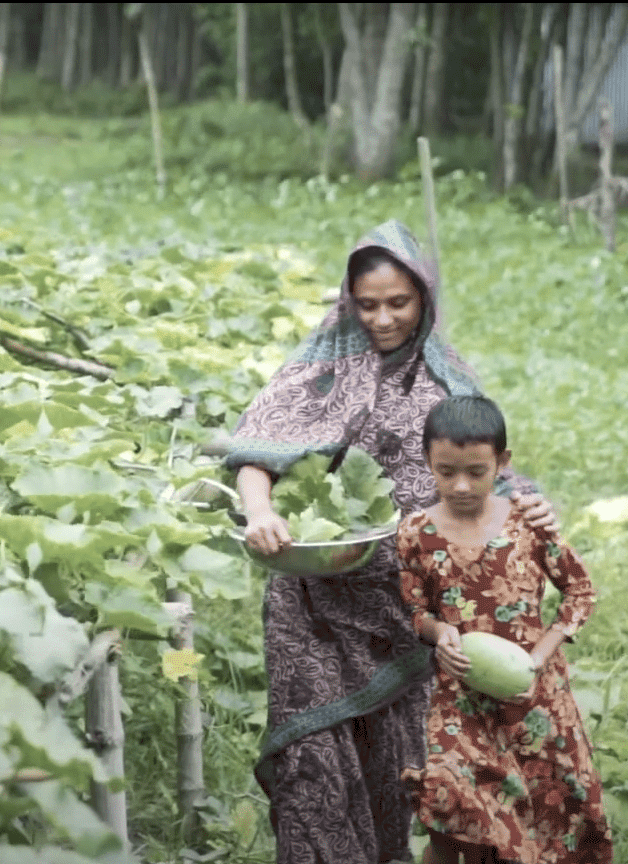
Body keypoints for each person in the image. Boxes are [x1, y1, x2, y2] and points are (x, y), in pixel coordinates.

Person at [223, 220, 558, 863]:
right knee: (309, 760)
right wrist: (261, 513)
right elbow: (257, 451)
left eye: (397, 303)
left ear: (423, 300)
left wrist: (527, 506)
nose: (381, 319)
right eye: (366, 304)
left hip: (407, 606)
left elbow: (488, 473)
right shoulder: (319, 366)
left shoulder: (448, 379)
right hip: (313, 597)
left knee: (393, 762)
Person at [398, 396, 611, 864]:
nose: (460, 485)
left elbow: (580, 593)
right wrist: (440, 637)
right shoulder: (414, 532)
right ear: (427, 463)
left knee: (544, 816)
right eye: (445, 470)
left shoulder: (529, 524)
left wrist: (537, 657)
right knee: (454, 815)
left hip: (535, 700)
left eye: (476, 471)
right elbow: (415, 611)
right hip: (462, 700)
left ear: (503, 463)